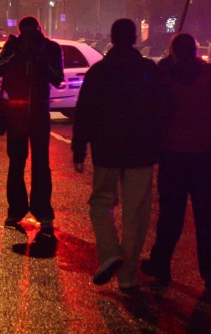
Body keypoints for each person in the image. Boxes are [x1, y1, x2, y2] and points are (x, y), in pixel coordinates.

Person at [71, 19, 169, 290]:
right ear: (135, 38)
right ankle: (127, 275)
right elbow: (163, 110)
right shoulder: (149, 70)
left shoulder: (99, 72)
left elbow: (85, 112)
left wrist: (79, 147)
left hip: (107, 149)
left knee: (101, 203)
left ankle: (109, 252)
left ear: (112, 38)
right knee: (135, 212)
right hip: (141, 151)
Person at [141, 32, 211, 301]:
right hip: (207, 156)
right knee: (207, 219)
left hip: (174, 156)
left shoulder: (165, 77)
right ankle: (210, 273)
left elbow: (155, 98)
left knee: (170, 216)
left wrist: (166, 64)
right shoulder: (210, 76)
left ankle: (161, 266)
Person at [0, 16, 64, 235]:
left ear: (38, 31)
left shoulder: (50, 48)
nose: (27, 36)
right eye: (24, 32)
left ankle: (42, 211)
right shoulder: (12, 46)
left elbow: (57, 78)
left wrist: (39, 57)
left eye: (31, 32)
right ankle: (16, 209)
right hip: (16, 112)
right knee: (16, 163)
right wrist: (17, 53)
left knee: (41, 164)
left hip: (39, 112)